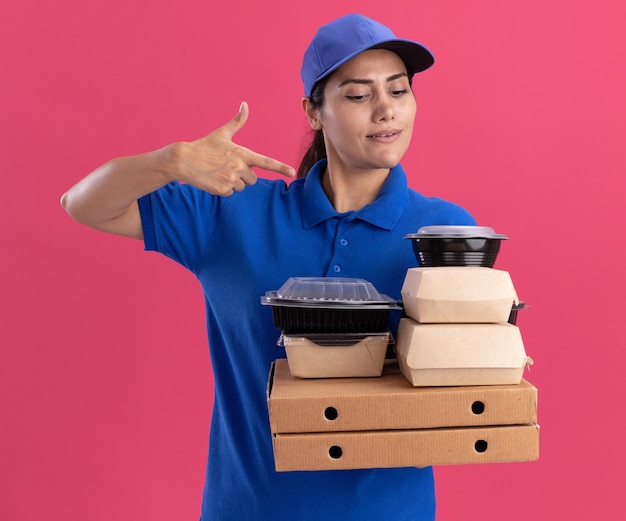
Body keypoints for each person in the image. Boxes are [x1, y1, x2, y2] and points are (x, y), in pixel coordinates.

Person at [61, 13, 476, 521]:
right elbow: (82, 203)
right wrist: (171, 161)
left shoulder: (445, 233)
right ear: (314, 111)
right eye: (358, 94)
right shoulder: (232, 210)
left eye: (400, 90)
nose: (387, 111)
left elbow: (465, 386)